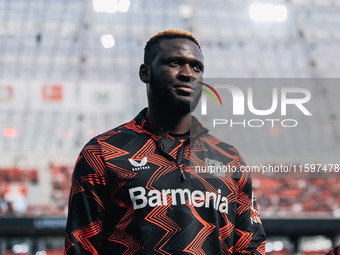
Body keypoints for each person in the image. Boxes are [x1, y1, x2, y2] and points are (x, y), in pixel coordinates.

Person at [64, 29, 266, 254]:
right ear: (145, 73)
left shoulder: (229, 158)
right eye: (175, 63)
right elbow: (81, 246)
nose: (188, 74)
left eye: (197, 67)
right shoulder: (102, 152)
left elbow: (250, 243)